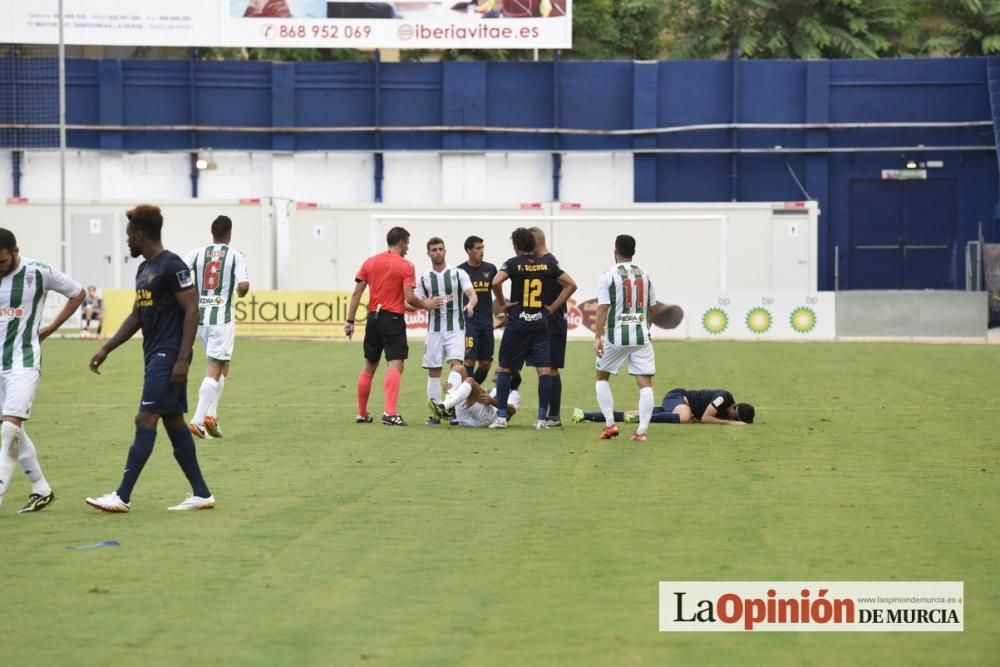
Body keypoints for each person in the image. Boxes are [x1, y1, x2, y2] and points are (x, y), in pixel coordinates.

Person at [86, 204, 215, 513]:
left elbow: (192, 310)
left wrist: (183, 358)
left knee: (145, 419)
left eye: (129, 237)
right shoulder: (144, 270)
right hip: (154, 355)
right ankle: (201, 493)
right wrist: (106, 348)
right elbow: (136, 317)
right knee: (174, 424)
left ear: (140, 235)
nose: (127, 242)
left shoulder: (173, 266)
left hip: (168, 356)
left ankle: (122, 496)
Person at [0, 228, 86, 513]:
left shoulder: (38, 272)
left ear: (15, 251)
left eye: (2, 262)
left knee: (10, 429)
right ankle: (41, 489)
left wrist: (50, 328)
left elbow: (77, 292)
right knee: (11, 429)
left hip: (23, 363)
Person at [345, 227, 443, 426]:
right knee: (395, 364)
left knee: (368, 366)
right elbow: (410, 297)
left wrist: (350, 321)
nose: (407, 247)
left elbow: (357, 294)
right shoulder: (406, 265)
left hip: (373, 318)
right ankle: (390, 413)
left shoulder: (369, 262)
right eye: (407, 243)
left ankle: (362, 414)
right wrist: (426, 305)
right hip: (392, 321)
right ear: (401, 242)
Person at [489, 227, 576, 430]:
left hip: (518, 323)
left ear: (516, 246)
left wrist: (503, 303)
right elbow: (571, 285)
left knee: (505, 368)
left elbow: (495, 282)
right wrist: (553, 307)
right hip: (540, 322)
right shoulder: (546, 264)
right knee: (544, 370)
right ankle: (541, 419)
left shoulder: (512, 263)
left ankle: (501, 417)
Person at [184, 215, 250, 439]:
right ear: (229, 234)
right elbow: (243, 285)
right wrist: (240, 292)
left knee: (224, 365)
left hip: (201, 319)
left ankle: (211, 415)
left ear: (212, 232)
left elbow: (179, 274)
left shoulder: (196, 254)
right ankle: (197, 420)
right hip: (221, 319)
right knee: (214, 367)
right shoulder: (235, 255)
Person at [592, 234, 657, 442]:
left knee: (601, 377)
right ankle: (641, 432)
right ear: (634, 252)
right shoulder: (645, 275)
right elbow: (652, 307)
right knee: (645, 384)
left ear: (615, 251)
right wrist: (646, 326)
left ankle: (610, 424)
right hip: (640, 336)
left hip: (616, 336)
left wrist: (597, 336)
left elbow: (603, 308)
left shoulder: (608, 276)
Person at [415, 237, 476, 425]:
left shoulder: (458, 273)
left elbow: (471, 294)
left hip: (456, 328)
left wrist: (471, 305)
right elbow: (412, 302)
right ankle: (434, 413)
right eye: (434, 249)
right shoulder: (424, 277)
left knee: (457, 366)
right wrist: (425, 303)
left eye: (441, 249)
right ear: (428, 253)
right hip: (434, 331)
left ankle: (450, 408)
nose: (438, 252)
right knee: (434, 371)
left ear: (445, 251)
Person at [528, 226, 567, 426]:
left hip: (553, 323)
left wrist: (552, 308)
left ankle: (553, 415)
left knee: (550, 369)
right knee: (546, 368)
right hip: (544, 323)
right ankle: (552, 414)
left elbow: (570, 286)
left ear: (535, 243)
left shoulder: (548, 263)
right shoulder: (545, 262)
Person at [573, 388, 756, 426]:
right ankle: (639, 420)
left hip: (679, 405)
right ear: (735, 407)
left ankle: (586, 415)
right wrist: (732, 425)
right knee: (684, 418)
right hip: (678, 397)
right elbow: (707, 418)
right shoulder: (725, 398)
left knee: (628, 413)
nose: (730, 418)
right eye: (733, 416)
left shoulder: (727, 409)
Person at [458, 235, 497, 385]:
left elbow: (497, 289)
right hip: (469, 323)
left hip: (487, 323)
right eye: (478, 248)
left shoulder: (490, 269)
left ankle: (470, 390)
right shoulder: (460, 271)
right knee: (469, 360)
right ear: (469, 250)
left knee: (486, 363)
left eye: (483, 248)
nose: (482, 251)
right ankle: (466, 397)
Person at [435, 371, 522, 427]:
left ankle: (443, 406)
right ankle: (448, 405)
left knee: (470, 381)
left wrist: (492, 402)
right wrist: (449, 390)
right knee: (459, 369)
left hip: (490, 419)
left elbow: (511, 410)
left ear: (509, 377)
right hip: (470, 417)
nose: (497, 369)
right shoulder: (493, 390)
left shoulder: (513, 393)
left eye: (502, 369)